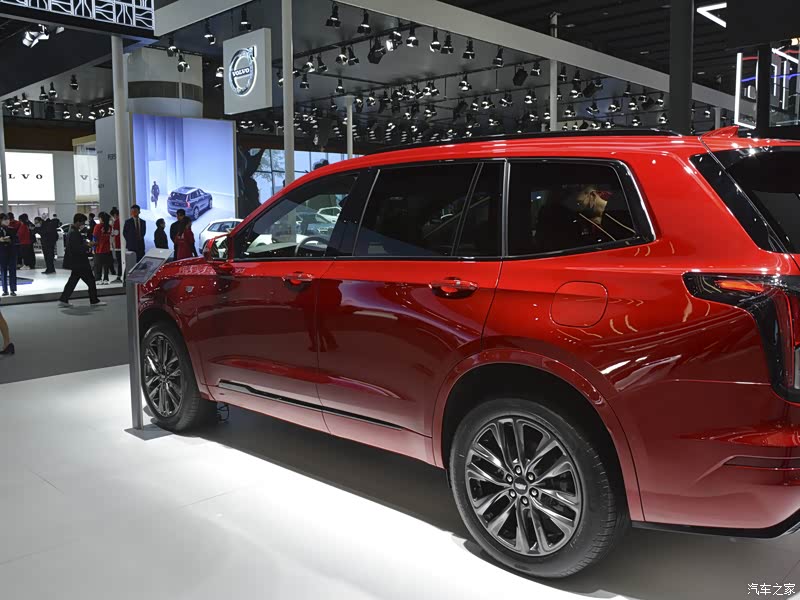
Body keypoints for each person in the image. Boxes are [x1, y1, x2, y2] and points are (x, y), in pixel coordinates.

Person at [58, 213, 106, 308]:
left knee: (72, 281)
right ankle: (94, 300)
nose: (83, 224)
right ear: (78, 222)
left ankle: (63, 299)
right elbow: (77, 248)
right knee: (90, 281)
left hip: (76, 262)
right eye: (82, 222)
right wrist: (88, 245)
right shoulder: (74, 233)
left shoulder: (72, 231)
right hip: (80, 262)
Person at [92, 212, 113, 285]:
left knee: (97, 265)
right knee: (106, 265)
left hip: (99, 248)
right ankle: (106, 279)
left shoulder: (97, 226)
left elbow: (95, 238)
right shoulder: (110, 227)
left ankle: (98, 279)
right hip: (107, 249)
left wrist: (93, 248)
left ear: (101, 218)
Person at [0, 214, 18, 297]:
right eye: (5, 219)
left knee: (12, 270)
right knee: (3, 271)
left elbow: (16, 240)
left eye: (8, 219)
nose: (7, 221)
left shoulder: (12, 229)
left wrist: (10, 240)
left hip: (12, 252)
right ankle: (5, 290)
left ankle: (13, 289)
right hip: (2, 252)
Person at [110, 207, 122, 282]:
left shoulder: (116, 222)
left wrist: (111, 234)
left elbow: (115, 233)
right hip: (120, 244)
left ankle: (119, 275)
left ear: (114, 215)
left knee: (119, 261)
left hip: (118, 245)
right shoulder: (121, 220)